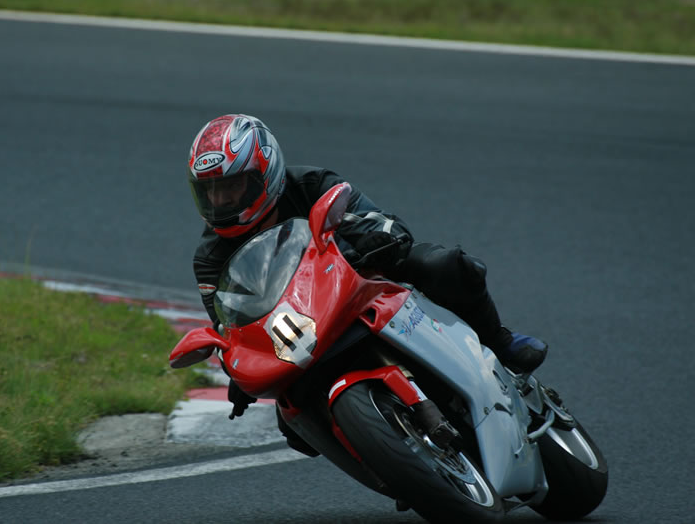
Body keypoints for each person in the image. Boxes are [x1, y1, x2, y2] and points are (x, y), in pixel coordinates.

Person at [187, 114, 548, 452]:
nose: (220, 200)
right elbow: (228, 324)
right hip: (297, 327)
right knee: (295, 427)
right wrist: (236, 368)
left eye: (231, 186)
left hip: (357, 282)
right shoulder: (209, 258)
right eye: (210, 191)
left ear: (264, 174)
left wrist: (379, 236)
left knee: (442, 265)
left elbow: (381, 220)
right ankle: (396, 467)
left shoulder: (311, 184)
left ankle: (500, 342)